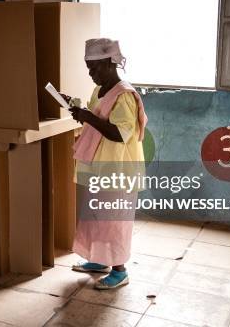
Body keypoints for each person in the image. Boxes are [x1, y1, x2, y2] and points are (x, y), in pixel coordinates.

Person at [63, 38, 147, 289]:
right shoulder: (98, 91)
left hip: (118, 168)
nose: (91, 74)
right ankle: (100, 261)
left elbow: (120, 133)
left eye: (95, 68)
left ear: (111, 64)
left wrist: (87, 116)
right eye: (88, 68)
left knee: (113, 219)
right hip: (99, 164)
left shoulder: (125, 95)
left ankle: (120, 271)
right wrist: (79, 111)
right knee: (96, 216)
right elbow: (96, 122)